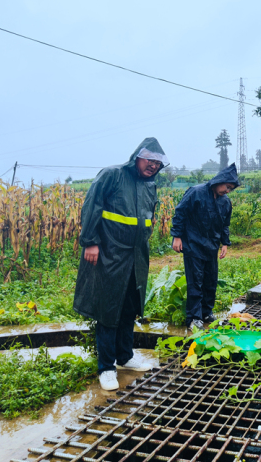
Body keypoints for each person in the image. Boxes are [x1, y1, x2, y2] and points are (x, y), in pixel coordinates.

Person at [73, 138, 169, 391]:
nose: (153, 166)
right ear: (137, 157)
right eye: (150, 160)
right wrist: (91, 241)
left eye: (158, 163)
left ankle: (125, 356)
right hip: (109, 252)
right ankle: (106, 367)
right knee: (108, 309)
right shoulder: (112, 175)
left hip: (136, 255)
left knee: (129, 306)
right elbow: (91, 206)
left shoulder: (149, 185)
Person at [171, 163, 239, 330]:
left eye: (231, 189)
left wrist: (225, 243)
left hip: (211, 246)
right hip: (193, 244)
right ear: (220, 181)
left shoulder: (225, 202)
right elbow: (180, 213)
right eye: (227, 186)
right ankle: (194, 317)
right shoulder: (196, 192)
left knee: (210, 280)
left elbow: (225, 224)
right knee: (196, 281)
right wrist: (177, 237)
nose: (227, 191)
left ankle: (206, 312)